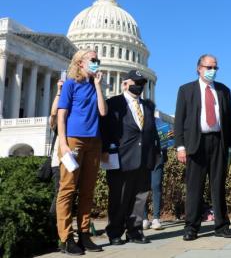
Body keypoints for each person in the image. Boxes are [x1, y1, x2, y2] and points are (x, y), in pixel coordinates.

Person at [174, 54, 231, 241]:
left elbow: (229, 119)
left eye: (215, 68)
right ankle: (191, 227)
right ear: (199, 68)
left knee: (218, 186)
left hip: (219, 142)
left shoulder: (224, 90)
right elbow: (179, 120)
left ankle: (222, 226)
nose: (212, 71)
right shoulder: (186, 90)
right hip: (196, 142)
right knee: (194, 187)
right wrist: (180, 147)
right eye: (209, 67)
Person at [56, 49, 107, 255]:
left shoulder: (95, 86)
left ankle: (84, 234)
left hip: (94, 140)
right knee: (68, 189)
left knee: (87, 190)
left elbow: (103, 111)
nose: (96, 63)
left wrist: (97, 84)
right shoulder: (70, 84)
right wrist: (63, 144)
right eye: (93, 60)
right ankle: (65, 237)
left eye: (98, 60)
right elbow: (61, 115)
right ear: (80, 63)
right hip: (73, 139)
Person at [102, 70, 161, 245]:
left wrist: (156, 153)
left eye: (141, 83)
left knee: (140, 197)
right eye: (135, 82)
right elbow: (105, 130)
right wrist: (104, 150)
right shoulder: (113, 104)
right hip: (121, 157)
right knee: (119, 197)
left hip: (144, 157)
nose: (139, 86)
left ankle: (135, 231)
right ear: (125, 84)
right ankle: (114, 232)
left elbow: (152, 131)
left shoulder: (148, 106)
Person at [49, 79, 64, 216]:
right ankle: (53, 225)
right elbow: (54, 114)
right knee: (60, 195)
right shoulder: (58, 123)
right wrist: (59, 92)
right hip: (58, 163)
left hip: (72, 162)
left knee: (65, 195)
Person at [143, 146, 168, 231]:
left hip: (157, 153)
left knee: (156, 185)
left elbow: (166, 136)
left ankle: (156, 219)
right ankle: (144, 219)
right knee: (142, 187)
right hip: (141, 154)